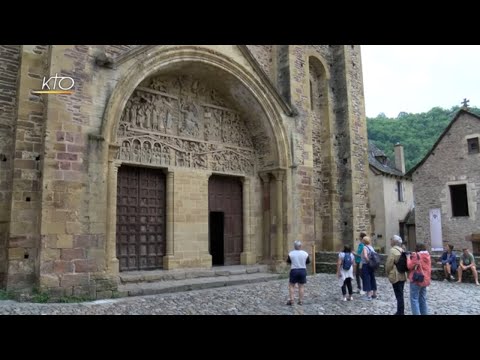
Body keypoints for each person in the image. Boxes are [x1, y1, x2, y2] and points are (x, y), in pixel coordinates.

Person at [406, 243, 431, 315]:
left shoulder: (417, 255)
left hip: (417, 279)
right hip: (425, 279)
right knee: (422, 299)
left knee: (414, 299)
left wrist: (408, 257)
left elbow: (409, 266)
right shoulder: (427, 255)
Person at [385, 235, 407, 315]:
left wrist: (387, 272)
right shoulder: (402, 250)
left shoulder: (393, 251)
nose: (390, 241)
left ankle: (400, 312)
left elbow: (389, 264)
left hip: (396, 275)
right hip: (403, 274)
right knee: (400, 294)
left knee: (398, 295)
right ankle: (400, 311)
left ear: (394, 242)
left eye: (391, 240)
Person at [286, 240, 311, 305]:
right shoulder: (305, 253)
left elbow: (288, 262)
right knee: (301, 286)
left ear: (294, 246)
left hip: (294, 270)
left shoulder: (291, 253)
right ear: (300, 246)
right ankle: (301, 301)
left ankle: (292, 300)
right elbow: (308, 262)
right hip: (302, 270)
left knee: (291, 285)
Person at [360, 236, 377, 300]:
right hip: (372, 266)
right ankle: (374, 294)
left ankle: (369, 295)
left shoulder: (365, 247)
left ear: (364, 241)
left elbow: (365, 256)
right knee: (372, 278)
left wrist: (368, 262)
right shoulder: (371, 247)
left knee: (367, 279)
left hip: (366, 265)